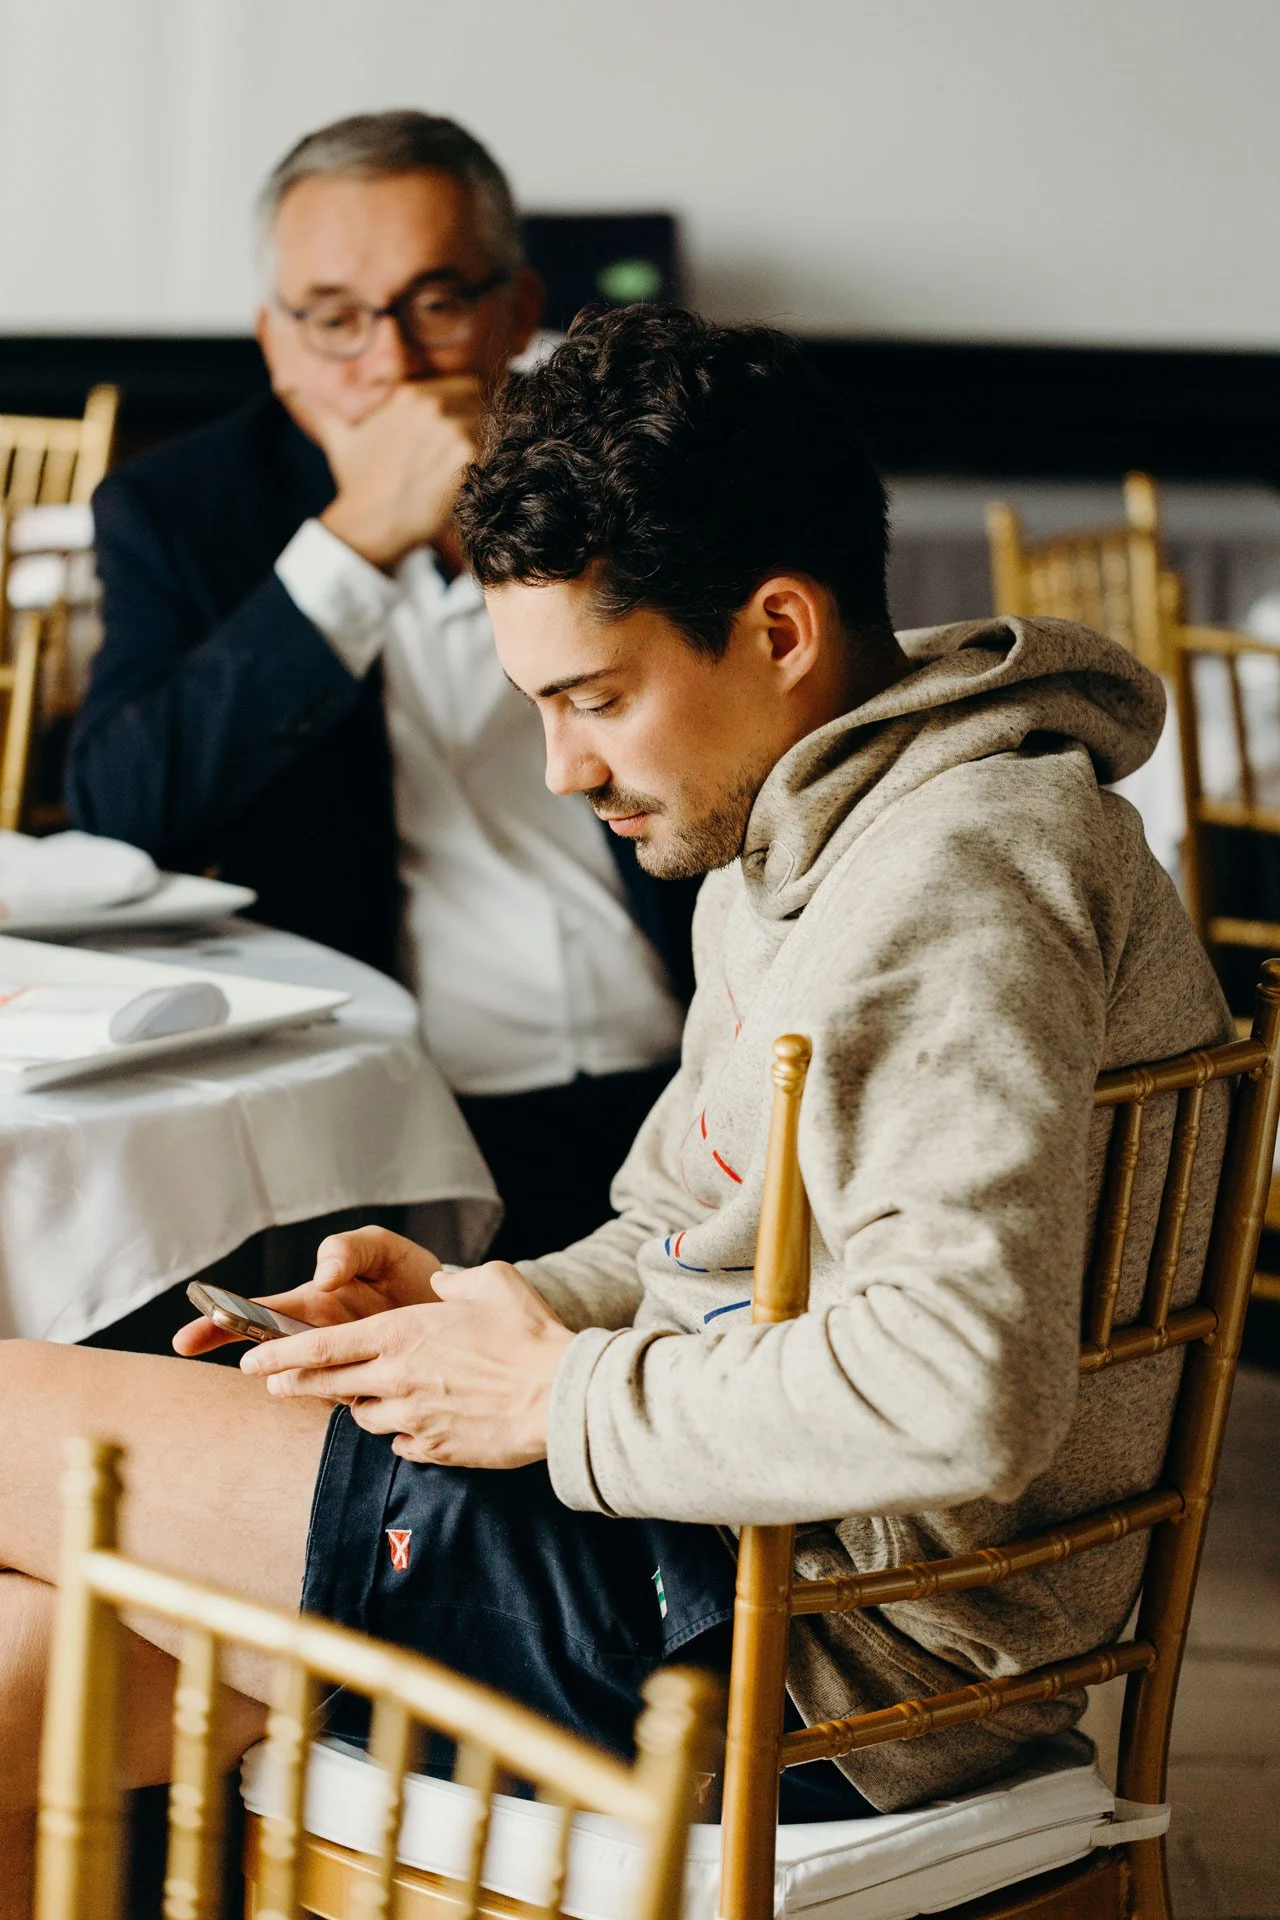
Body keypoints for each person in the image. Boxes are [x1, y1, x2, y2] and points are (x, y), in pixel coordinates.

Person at [0, 308, 1234, 1908]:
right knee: (31, 1658)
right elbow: (677, 1225)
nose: (559, 768)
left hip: (825, 1661)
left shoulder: (952, 883)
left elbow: (958, 1393)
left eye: (591, 696)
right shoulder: (814, 824)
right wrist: (477, 1308)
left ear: (779, 628)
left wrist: (550, 1398)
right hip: (740, 1557)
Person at [65, 112, 692, 1257]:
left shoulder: (643, 472)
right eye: (336, 320)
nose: (389, 363)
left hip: (696, 1075)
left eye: (435, 304)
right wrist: (350, 545)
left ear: (513, 310)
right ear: (275, 340)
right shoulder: (180, 508)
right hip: (396, 1121)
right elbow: (123, 813)